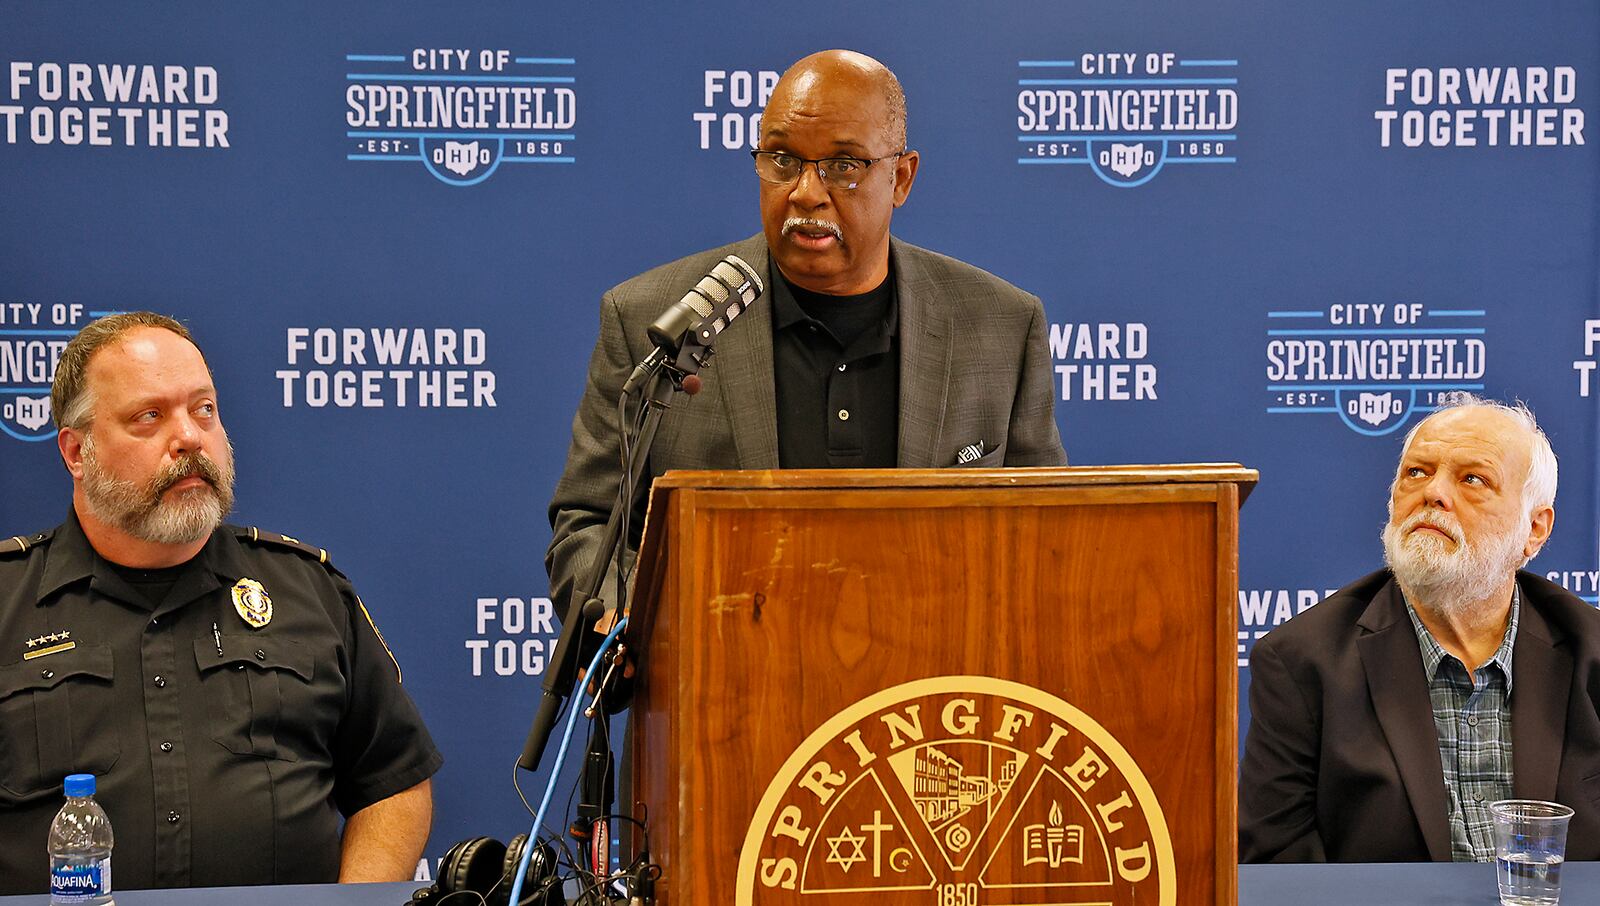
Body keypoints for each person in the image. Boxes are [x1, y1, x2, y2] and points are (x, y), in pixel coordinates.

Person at [546, 49, 1066, 617]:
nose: (806, 192)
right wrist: (633, 628)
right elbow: (590, 527)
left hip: (930, 694)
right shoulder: (660, 321)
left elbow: (1044, 539)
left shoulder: (1000, 327)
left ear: (902, 177)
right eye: (783, 159)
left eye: (844, 166)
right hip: (726, 688)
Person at [0, 312, 442, 892]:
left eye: (203, 409)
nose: (188, 437)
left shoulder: (307, 589)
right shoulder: (10, 601)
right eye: (149, 416)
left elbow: (394, 781)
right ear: (77, 452)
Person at [1239, 395, 1600, 862]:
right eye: (1417, 473)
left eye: (1473, 479)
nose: (1433, 493)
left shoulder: (1590, 651)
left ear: (1534, 530)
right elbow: (1276, 864)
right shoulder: (1302, 663)